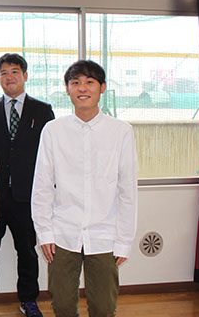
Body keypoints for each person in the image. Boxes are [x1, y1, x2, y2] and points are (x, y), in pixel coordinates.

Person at [31, 60, 138, 317]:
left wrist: (124, 241)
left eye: (90, 82)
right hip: (62, 233)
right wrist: (44, 232)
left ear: (102, 88)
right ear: (67, 89)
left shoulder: (121, 131)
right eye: (75, 82)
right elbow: (42, 185)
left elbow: (127, 191)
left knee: (103, 308)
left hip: (104, 234)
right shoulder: (53, 130)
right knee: (62, 306)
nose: (82, 88)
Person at [0, 53, 54, 317]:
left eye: (15, 72)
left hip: (27, 196)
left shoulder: (42, 111)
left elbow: (49, 154)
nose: (9, 77)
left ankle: (29, 300)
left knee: (27, 250)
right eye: (4, 73)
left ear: (25, 76)